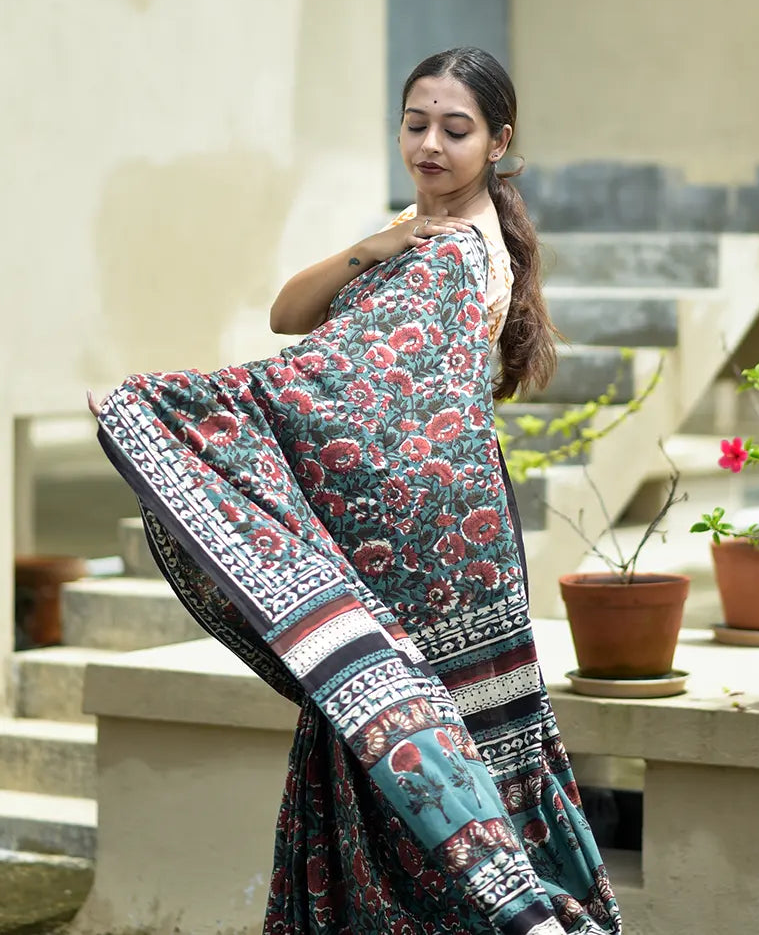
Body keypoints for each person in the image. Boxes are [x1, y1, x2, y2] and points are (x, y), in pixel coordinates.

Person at [89, 48, 621, 935]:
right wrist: (371, 244)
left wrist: (208, 411)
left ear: (499, 142)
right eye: (416, 124)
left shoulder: (457, 254)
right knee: (377, 722)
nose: (431, 145)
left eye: (457, 130)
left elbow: (355, 381)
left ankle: (520, 912)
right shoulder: (412, 233)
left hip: (426, 531)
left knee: (406, 735)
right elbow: (289, 313)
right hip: (418, 521)